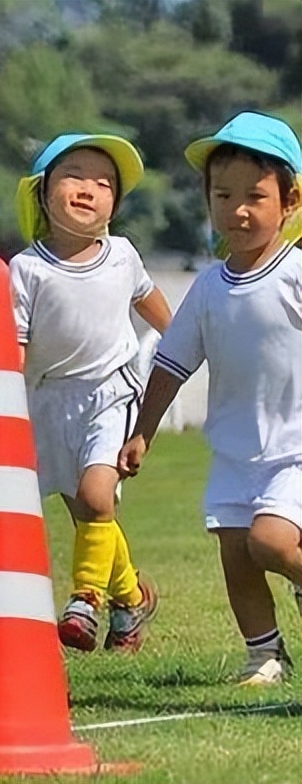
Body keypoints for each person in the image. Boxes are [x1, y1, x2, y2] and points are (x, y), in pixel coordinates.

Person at [119, 112, 302, 685]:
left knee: (269, 542)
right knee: (235, 553)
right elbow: (171, 365)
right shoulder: (207, 287)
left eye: (255, 195)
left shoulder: (296, 271)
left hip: (295, 447)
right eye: (223, 195)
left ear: (290, 201)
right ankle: (264, 654)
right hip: (232, 450)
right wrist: (143, 431)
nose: (238, 209)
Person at [10, 133, 171, 652]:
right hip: (49, 401)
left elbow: (148, 301)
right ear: (42, 192)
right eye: (75, 175)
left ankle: (86, 601)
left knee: (98, 496)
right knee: (87, 514)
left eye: (105, 183)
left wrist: (187, 341)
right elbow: (15, 345)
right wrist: (4, 405)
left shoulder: (122, 255)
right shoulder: (25, 269)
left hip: (112, 391)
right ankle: (131, 598)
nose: (90, 188)